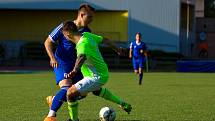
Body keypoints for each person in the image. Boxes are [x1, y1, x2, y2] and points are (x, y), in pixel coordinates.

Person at [62, 21, 132, 121]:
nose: (65, 37)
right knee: (96, 91)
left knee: (70, 93)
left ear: (68, 33)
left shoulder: (83, 44)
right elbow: (105, 40)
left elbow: (81, 56)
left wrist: (74, 70)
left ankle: (74, 120)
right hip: (100, 72)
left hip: (96, 76)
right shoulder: (87, 35)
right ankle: (122, 104)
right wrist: (117, 49)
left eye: (64, 35)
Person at [43, 3, 95, 121]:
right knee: (66, 88)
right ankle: (50, 116)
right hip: (61, 62)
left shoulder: (87, 31)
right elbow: (47, 42)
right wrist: (52, 58)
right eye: (90, 17)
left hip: (76, 65)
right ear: (81, 15)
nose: (92, 20)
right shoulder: (64, 27)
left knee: (81, 93)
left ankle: (55, 99)